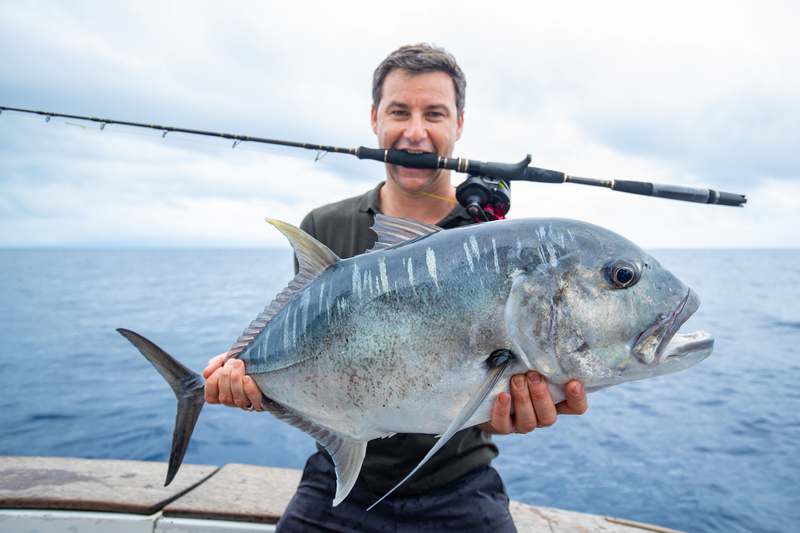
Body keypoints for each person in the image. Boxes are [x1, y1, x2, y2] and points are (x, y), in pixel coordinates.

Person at [203, 44, 588, 532]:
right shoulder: (325, 225)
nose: (415, 131)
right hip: (337, 478)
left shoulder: (487, 242)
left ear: (459, 125)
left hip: (460, 484)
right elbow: (307, 356)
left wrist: (515, 408)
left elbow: (482, 380)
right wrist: (249, 379)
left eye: (435, 114)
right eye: (399, 112)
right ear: (375, 119)